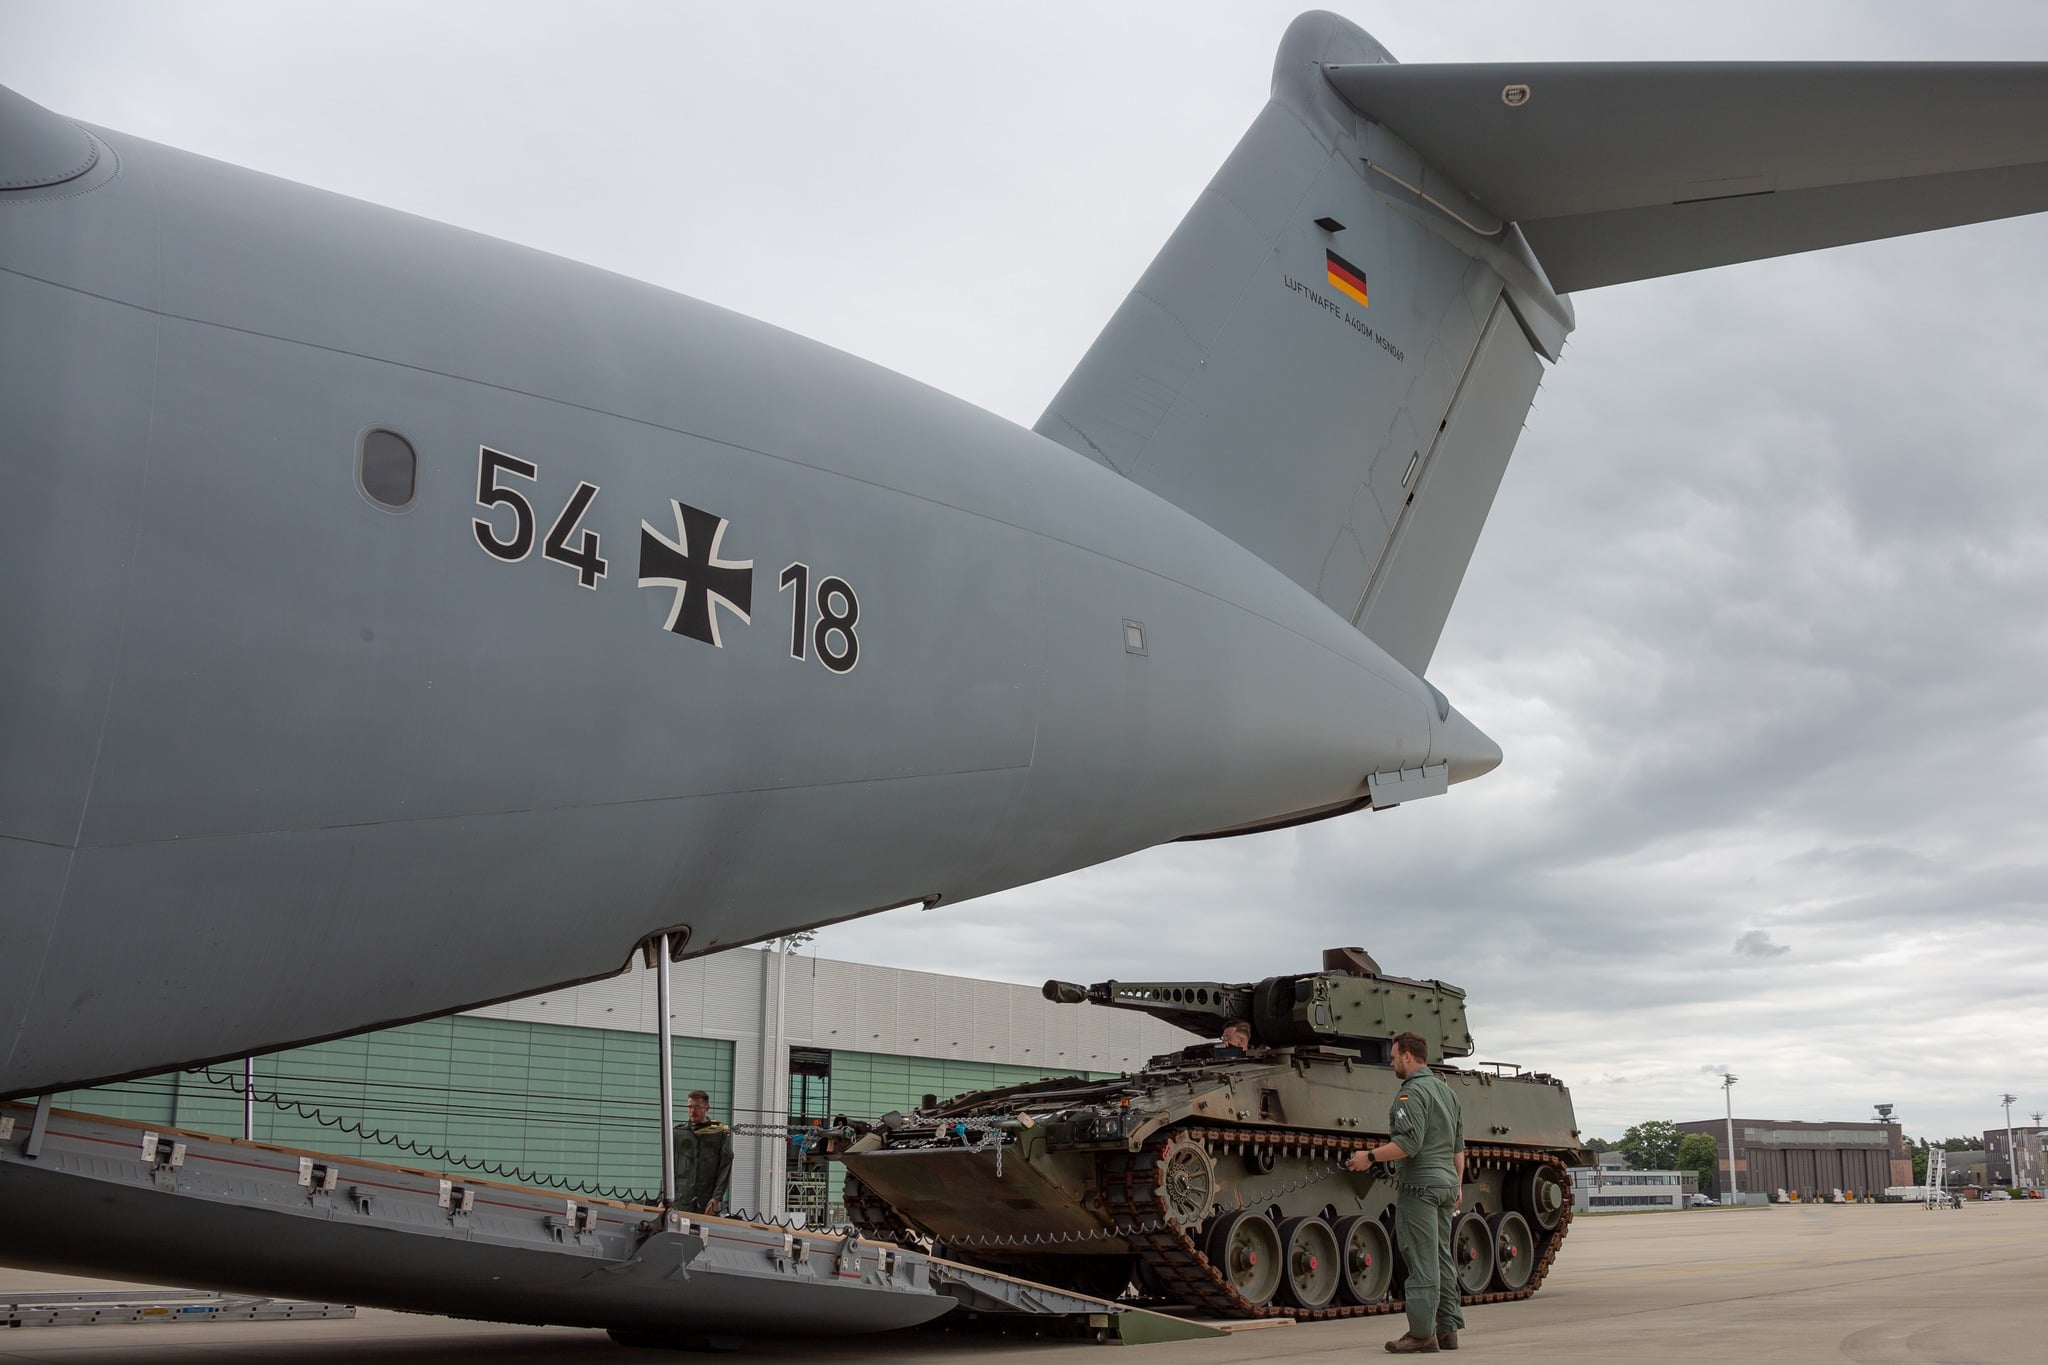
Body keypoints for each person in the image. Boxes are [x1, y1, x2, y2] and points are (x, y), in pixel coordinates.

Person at [1346, 1031, 1466, 1353]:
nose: (1392, 1061)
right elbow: (1458, 1149)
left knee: (1420, 1258)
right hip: (1444, 1184)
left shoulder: (1410, 1094)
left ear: (1409, 1056)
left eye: (1395, 1055)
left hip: (1420, 1185)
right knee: (1441, 1257)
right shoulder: (1447, 1092)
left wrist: (1367, 1157)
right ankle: (1447, 1329)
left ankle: (1422, 1334)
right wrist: (1457, 1183)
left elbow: (1407, 1145)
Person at [672, 1089, 733, 1216]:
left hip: (706, 1203)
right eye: (690, 1107)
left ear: (707, 1107)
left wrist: (717, 1198)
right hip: (680, 1202)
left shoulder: (720, 1133)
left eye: (697, 1107)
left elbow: (725, 1167)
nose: (692, 1111)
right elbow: (669, 1167)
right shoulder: (678, 1133)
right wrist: (663, 1198)